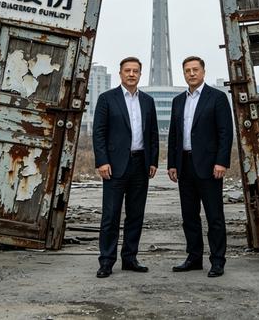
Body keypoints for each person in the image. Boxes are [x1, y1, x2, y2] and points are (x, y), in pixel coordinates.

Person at [92, 57, 159, 278]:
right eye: (127, 70)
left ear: (140, 74)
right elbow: (99, 133)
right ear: (120, 73)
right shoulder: (107, 99)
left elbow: (153, 134)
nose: (131, 74)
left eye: (135, 71)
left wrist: (153, 161)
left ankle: (130, 258)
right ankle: (106, 261)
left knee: (135, 215)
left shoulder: (147, 101)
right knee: (111, 215)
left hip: (140, 164)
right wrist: (102, 161)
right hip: (114, 165)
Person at [167, 56, 233, 277]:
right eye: (188, 70)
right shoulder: (178, 101)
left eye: (195, 69)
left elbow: (225, 133)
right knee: (189, 216)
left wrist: (222, 162)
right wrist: (172, 164)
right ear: (184, 74)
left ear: (203, 72)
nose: (192, 73)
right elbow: (174, 135)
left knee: (214, 216)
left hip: (209, 166)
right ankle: (194, 258)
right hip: (184, 165)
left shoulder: (217, 98)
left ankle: (217, 261)